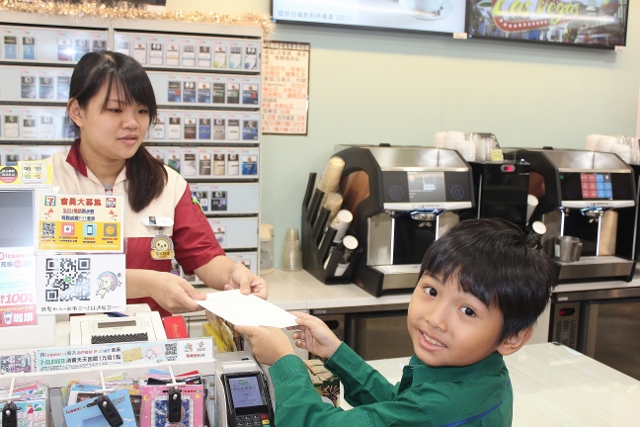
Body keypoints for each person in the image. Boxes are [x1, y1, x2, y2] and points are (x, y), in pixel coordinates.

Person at [236, 218, 557, 426]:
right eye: (431, 290)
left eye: (468, 311)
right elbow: (400, 406)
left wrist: (284, 361)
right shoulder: (483, 374)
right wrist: (335, 352)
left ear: (512, 338)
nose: (435, 319)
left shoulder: (442, 407)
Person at [49, 51, 267, 317]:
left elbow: (205, 257)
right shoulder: (43, 182)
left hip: (151, 346)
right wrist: (149, 283)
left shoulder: (167, 183)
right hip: (68, 348)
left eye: (142, 111)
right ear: (77, 111)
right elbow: (37, 279)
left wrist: (235, 273)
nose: (132, 123)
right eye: (115, 109)